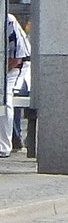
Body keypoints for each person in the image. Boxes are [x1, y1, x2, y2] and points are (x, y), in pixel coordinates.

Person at [1, 13, 31, 158]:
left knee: (4, 97)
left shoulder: (8, 20)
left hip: (18, 67)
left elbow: (16, 59)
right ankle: (15, 135)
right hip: (4, 66)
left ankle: (3, 147)